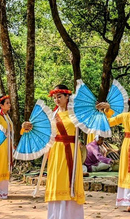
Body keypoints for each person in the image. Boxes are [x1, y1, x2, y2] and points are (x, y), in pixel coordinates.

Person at [23, 85, 85, 219]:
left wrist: (104, 109)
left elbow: (91, 122)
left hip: (72, 152)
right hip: (56, 151)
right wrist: (27, 127)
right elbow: (41, 131)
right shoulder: (52, 115)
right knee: (58, 182)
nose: (56, 100)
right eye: (55, 97)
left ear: (67, 96)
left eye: (59, 96)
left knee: (71, 182)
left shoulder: (76, 113)